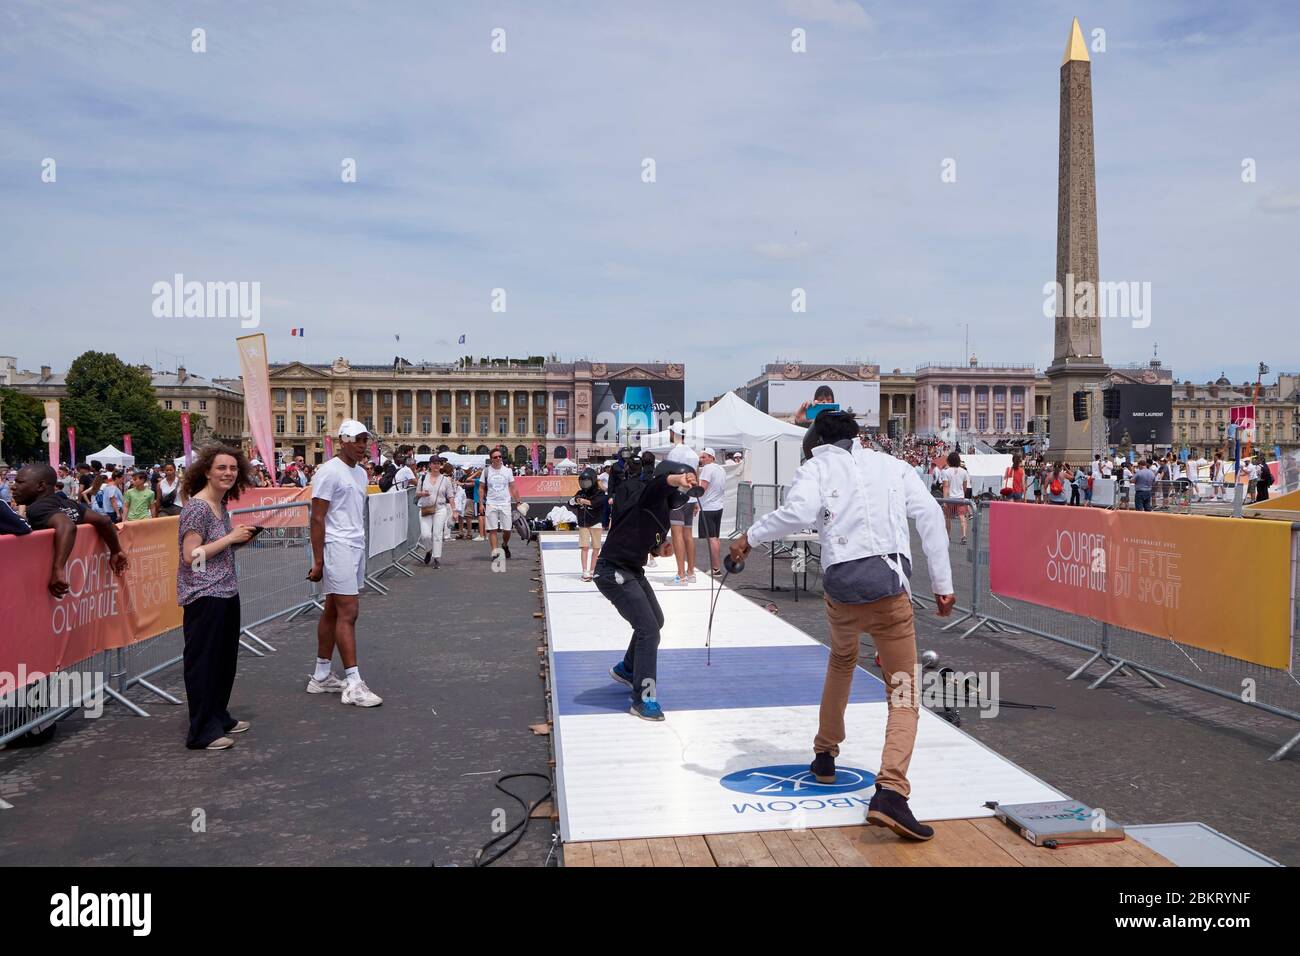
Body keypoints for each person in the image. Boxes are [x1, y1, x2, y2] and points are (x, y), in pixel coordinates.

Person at [729, 411, 955, 841]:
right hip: (889, 590)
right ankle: (890, 790)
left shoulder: (815, 465)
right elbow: (928, 515)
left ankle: (825, 754)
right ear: (857, 436)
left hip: (842, 592)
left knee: (842, 661)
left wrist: (749, 538)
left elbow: (796, 513)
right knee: (904, 690)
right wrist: (943, 583)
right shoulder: (893, 465)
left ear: (816, 441)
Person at [596, 461, 700, 721]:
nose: (684, 495)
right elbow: (658, 484)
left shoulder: (662, 511)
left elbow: (644, 536)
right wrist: (677, 479)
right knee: (648, 630)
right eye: (683, 484)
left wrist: (658, 549)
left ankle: (628, 669)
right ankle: (643, 698)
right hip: (613, 571)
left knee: (656, 621)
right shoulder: (650, 493)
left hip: (632, 569)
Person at [176, 444, 260, 751]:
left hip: (225, 590)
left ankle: (218, 715)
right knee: (204, 663)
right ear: (206, 472)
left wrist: (237, 542)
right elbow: (191, 557)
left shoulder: (219, 506)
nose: (228, 473)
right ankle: (201, 730)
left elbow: (211, 553)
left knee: (224, 662)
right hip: (204, 595)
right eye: (221, 468)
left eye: (233, 468)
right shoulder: (197, 508)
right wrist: (229, 538)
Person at [307, 419, 383, 707]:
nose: (363, 445)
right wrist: (318, 560)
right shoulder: (328, 472)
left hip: (354, 545)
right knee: (349, 611)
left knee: (332, 610)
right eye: (357, 440)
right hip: (336, 546)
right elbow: (317, 517)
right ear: (343, 441)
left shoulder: (362, 474)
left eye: (365, 440)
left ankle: (321, 675)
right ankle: (353, 682)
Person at [10, 463, 129, 598]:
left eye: (20, 482)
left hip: (46, 588)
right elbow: (104, 521)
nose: (13, 486)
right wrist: (115, 550)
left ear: (41, 486)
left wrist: (58, 569)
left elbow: (67, 526)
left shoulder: (37, 508)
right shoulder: (68, 503)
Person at [665, 426, 700, 585]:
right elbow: (696, 476)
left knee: (677, 534)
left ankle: (681, 575)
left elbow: (670, 476)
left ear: (673, 433)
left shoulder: (675, 452)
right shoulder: (693, 453)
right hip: (691, 497)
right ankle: (691, 572)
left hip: (678, 497)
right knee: (688, 535)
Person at [478, 448, 521, 559]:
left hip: (505, 503)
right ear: (491, 459)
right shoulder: (486, 471)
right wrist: (481, 503)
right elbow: (481, 488)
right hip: (491, 503)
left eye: (500, 456)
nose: (498, 458)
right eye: (495, 457)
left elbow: (513, 487)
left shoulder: (507, 471)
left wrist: (518, 501)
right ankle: (495, 552)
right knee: (492, 530)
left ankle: (505, 545)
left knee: (507, 529)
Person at [417, 462, 457, 568]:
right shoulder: (423, 478)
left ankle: (437, 558)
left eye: (438, 464)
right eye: (434, 464)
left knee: (437, 534)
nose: (436, 466)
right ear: (430, 465)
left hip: (440, 509)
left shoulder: (445, 480)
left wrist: (454, 510)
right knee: (425, 535)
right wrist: (422, 494)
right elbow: (417, 493)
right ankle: (429, 550)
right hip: (425, 508)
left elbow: (451, 496)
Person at [571, 467, 607, 581]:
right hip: (584, 523)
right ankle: (585, 570)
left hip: (596, 522)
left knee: (596, 547)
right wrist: (575, 500)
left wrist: (584, 501)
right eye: (583, 481)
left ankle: (593, 569)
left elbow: (596, 503)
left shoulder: (600, 493)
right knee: (584, 547)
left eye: (587, 481)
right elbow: (571, 503)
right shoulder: (580, 493)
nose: (585, 484)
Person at [695, 447, 727, 574]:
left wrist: (695, 501)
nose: (701, 459)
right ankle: (716, 567)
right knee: (715, 538)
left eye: (704, 457)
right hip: (718, 507)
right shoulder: (721, 469)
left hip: (708, 508)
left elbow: (702, 489)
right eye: (701, 457)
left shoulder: (708, 469)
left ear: (711, 457)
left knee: (712, 539)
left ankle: (716, 568)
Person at [941, 451, 970, 543]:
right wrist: (962, 494)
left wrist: (945, 500)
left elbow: (945, 486)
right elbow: (965, 486)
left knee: (948, 517)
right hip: (960, 497)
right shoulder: (964, 471)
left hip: (950, 497)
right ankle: (964, 536)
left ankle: (948, 536)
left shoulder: (946, 472)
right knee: (962, 517)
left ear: (949, 461)